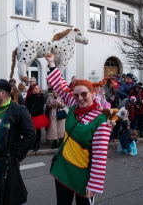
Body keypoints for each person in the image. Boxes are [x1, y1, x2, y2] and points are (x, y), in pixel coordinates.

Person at [46, 53, 111, 205]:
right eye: (76, 95)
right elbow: (60, 87)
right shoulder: (74, 104)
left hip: (83, 175)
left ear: (92, 92)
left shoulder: (101, 119)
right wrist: (51, 64)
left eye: (84, 94)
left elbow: (100, 155)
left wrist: (95, 184)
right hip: (63, 169)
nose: (80, 98)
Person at [25, 84, 50, 151]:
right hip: (32, 116)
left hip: (39, 115)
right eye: (35, 88)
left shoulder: (41, 96)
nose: (37, 89)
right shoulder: (29, 97)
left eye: (38, 88)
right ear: (33, 89)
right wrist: (28, 111)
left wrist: (31, 110)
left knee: (38, 130)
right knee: (32, 131)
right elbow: (26, 105)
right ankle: (32, 143)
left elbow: (41, 106)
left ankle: (37, 143)